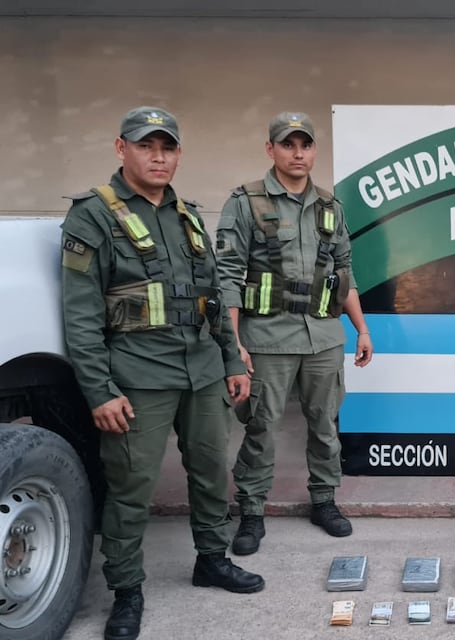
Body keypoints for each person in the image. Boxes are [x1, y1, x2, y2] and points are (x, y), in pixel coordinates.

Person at [61, 106, 264, 640]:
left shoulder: (188, 215)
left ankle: (212, 560)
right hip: (137, 376)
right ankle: (126, 591)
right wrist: (99, 391)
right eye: (146, 145)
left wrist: (229, 360)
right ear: (120, 148)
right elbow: (80, 315)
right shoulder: (93, 216)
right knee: (131, 486)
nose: (158, 156)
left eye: (167, 147)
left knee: (209, 472)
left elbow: (213, 301)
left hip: (201, 372)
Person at [214, 111, 373, 556]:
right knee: (261, 427)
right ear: (271, 150)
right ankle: (251, 511)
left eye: (305, 145)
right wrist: (235, 343)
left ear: (315, 151)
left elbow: (344, 274)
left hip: (323, 338)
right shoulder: (246, 203)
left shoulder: (329, 207)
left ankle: (324, 500)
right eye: (288, 144)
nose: (298, 153)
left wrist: (361, 328)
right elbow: (226, 277)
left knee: (325, 426)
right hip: (267, 338)